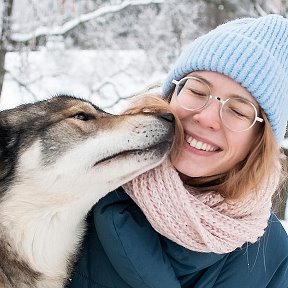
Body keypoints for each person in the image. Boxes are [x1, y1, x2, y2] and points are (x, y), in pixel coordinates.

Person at [67, 14, 288, 288]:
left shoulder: (273, 255)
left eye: (237, 110)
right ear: (171, 94)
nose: (207, 117)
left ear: (260, 141)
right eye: (197, 91)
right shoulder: (83, 186)